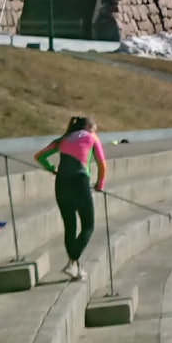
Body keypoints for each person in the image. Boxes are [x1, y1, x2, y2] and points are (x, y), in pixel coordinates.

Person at [34, 116, 107, 281]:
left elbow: (40, 156)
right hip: (80, 182)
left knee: (70, 225)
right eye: (95, 128)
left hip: (61, 183)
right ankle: (73, 261)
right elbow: (102, 164)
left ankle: (74, 266)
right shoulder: (92, 138)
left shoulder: (63, 139)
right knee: (88, 225)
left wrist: (52, 168)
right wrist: (100, 184)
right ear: (88, 127)